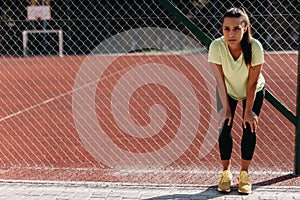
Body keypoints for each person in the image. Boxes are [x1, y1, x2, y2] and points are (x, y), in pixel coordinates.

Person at [208, 7, 265, 194]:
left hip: (253, 89)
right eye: (226, 29)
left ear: (245, 28)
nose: (231, 33)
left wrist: (248, 111)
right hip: (228, 90)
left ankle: (244, 174)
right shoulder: (216, 47)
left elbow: (253, 81)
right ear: (222, 29)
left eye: (236, 29)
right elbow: (219, 79)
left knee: (249, 125)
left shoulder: (255, 47)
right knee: (225, 124)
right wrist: (226, 107)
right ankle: (225, 173)